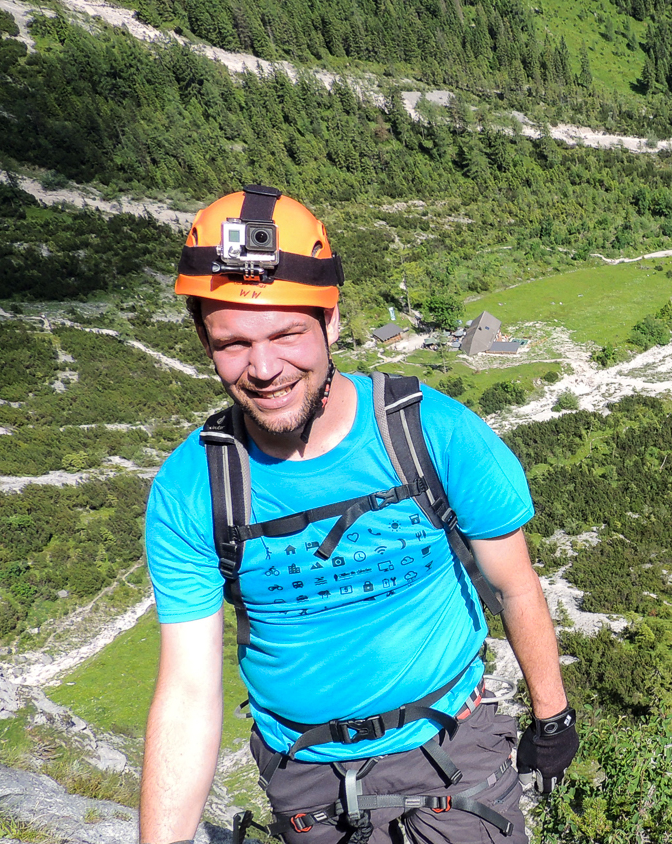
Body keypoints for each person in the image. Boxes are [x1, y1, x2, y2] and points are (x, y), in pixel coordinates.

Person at [140, 186, 575, 844]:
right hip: (306, 781)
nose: (263, 368)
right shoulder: (191, 491)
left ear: (332, 321)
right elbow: (188, 694)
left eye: (286, 334)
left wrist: (552, 718)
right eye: (233, 343)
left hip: (454, 754)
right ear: (204, 339)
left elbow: (514, 584)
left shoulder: (437, 434)